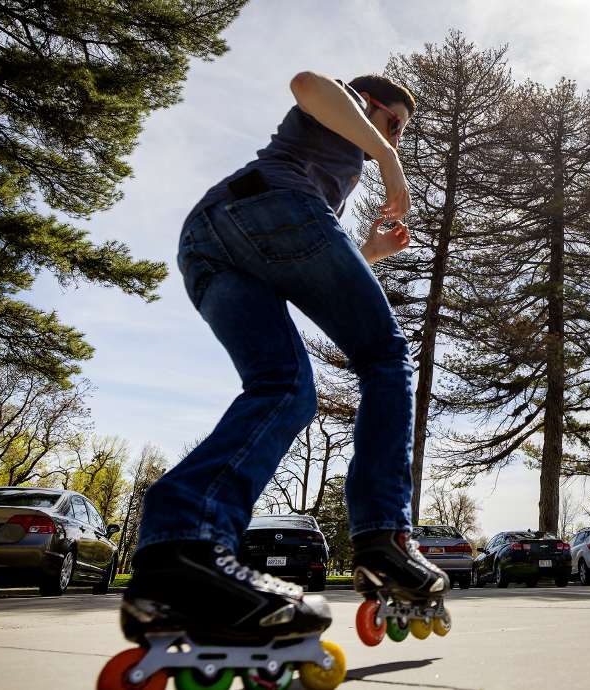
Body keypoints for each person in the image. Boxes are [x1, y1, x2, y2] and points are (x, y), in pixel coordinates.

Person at [122, 72, 447, 645]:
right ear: (367, 103)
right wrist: (389, 155)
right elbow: (307, 83)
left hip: (210, 243)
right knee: (384, 358)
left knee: (285, 387)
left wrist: (367, 251)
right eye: (393, 122)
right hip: (273, 210)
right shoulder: (338, 106)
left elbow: (301, 260)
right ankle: (384, 535)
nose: (392, 137)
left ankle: (180, 551)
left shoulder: (327, 161)